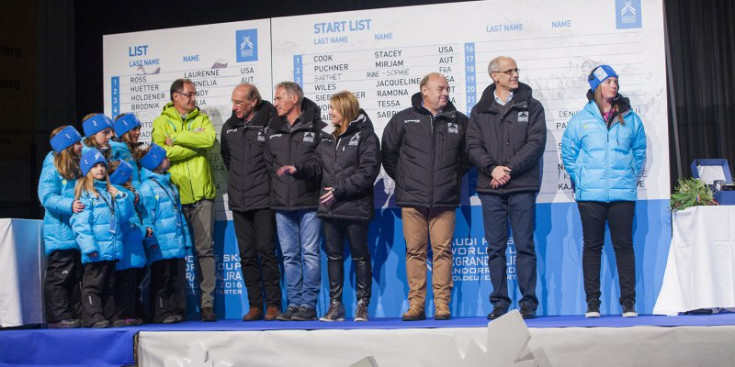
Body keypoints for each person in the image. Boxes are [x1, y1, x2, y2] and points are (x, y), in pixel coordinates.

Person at [381, 72, 468, 321]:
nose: (445, 93)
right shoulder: (402, 120)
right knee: (415, 252)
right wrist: (406, 179)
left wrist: (450, 179)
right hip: (412, 199)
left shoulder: (460, 121)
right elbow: (388, 154)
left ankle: (442, 305)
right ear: (424, 91)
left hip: (444, 199)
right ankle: (416, 305)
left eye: (447, 89)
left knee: (443, 252)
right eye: (440, 88)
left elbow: (467, 158)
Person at [561, 65, 646, 318]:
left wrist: (629, 173)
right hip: (590, 196)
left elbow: (639, 151)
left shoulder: (631, 118)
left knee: (624, 246)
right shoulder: (581, 120)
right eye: (609, 81)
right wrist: (582, 179)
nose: (614, 85)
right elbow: (569, 153)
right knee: (592, 247)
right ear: (597, 86)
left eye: (616, 81)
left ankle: (628, 304)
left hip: (622, 194)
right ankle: (592, 304)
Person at [466, 56, 547, 320]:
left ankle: (528, 303)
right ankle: (499, 303)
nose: (514, 74)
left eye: (516, 70)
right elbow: (472, 147)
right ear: (495, 76)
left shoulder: (532, 106)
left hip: (521, 186)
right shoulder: (479, 111)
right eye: (509, 71)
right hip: (491, 189)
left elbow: (535, 144)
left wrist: (507, 169)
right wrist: (492, 169)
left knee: (525, 245)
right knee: (495, 248)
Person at [291, 91, 380, 322]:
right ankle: (335, 306)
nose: (329, 112)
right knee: (333, 257)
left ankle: (362, 305)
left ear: (345, 110)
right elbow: (318, 167)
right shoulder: (328, 137)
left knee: (360, 257)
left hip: (355, 207)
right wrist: (298, 169)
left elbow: (367, 172)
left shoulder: (366, 136)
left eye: (333, 108)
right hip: (330, 210)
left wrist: (339, 191)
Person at [152, 78, 217, 321]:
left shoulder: (202, 118)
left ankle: (208, 305)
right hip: (175, 196)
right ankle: (176, 307)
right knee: (176, 253)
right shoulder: (160, 122)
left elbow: (208, 141)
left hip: (202, 194)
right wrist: (192, 141)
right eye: (189, 95)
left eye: (194, 94)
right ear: (175, 97)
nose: (193, 98)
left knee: (205, 251)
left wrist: (177, 138)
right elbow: (161, 154)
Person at [220, 83, 282, 321]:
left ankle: (274, 305)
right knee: (246, 256)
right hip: (239, 200)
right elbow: (228, 159)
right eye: (233, 102)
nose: (234, 107)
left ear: (253, 101)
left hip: (264, 199)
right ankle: (255, 305)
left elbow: (276, 157)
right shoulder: (229, 127)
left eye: (239, 102)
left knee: (266, 252)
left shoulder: (271, 122)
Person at [268, 81, 326, 321]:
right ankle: (293, 304)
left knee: (310, 254)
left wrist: (298, 169)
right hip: (281, 204)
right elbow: (266, 164)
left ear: (294, 99)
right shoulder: (272, 128)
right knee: (290, 256)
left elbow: (321, 165)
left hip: (309, 202)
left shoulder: (318, 127)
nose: (275, 103)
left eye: (279, 98)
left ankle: (308, 305)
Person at [71, 149, 133, 328]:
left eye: (102, 166)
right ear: (87, 170)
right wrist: (89, 246)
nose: (100, 169)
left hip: (111, 248)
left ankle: (109, 314)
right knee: (93, 285)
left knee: (109, 285)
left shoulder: (108, 192)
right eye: (95, 166)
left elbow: (123, 217)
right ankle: (93, 316)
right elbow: (81, 223)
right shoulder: (85, 193)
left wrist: (121, 197)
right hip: (96, 249)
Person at [137, 144, 192, 324]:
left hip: (175, 243)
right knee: (162, 279)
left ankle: (174, 309)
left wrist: (186, 239)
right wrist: (151, 241)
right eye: (165, 157)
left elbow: (179, 216)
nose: (168, 159)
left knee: (175, 278)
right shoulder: (147, 188)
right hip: (160, 244)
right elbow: (147, 217)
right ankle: (160, 312)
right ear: (156, 162)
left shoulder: (169, 185)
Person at [39, 125, 85, 328]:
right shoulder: (52, 166)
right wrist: (69, 205)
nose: (81, 146)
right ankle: (58, 317)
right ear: (67, 146)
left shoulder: (76, 166)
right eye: (76, 143)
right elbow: (47, 197)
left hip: (76, 233)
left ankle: (74, 313)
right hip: (60, 232)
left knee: (75, 276)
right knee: (60, 276)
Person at [108, 160, 146, 326]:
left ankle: (131, 312)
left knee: (131, 282)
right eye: (128, 173)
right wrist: (142, 231)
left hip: (132, 244)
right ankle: (124, 314)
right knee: (125, 283)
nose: (132, 176)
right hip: (127, 244)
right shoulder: (120, 194)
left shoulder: (130, 193)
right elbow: (126, 220)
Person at [111, 113, 143, 186]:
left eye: (139, 128)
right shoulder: (116, 150)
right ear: (124, 132)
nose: (138, 132)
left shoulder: (135, 150)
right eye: (134, 129)